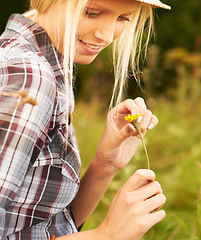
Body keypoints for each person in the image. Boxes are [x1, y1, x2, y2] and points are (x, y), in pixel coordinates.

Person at [0, 0, 171, 239]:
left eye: (123, 18)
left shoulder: (48, 63)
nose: (107, 34)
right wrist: (107, 235)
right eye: (91, 12)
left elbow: (51, 226)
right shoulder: (31, 76)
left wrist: (105, 164)